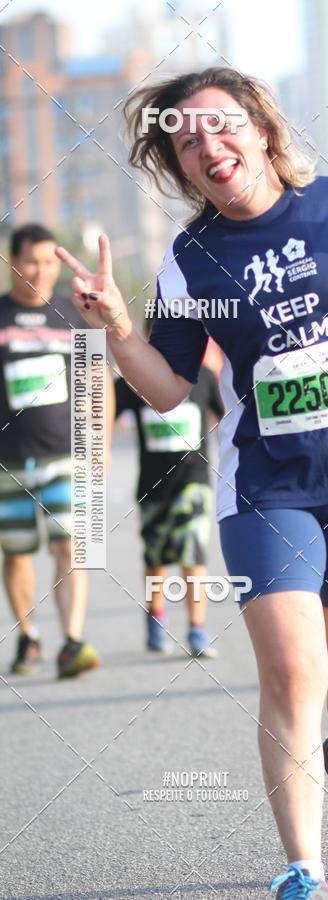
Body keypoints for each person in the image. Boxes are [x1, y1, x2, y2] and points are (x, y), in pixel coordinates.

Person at [56, 67, 328, 897]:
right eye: (185, 141)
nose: (207, 145)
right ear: (179, 169)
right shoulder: (188, 259)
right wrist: (115, 332)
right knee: (291, 673)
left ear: (263, 129)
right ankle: (302, 868)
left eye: (221, 126)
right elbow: (170, 388)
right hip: (265, 487)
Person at [0, 224, 110, 677]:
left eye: (49, 262)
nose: (41, 271)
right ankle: (29, 637)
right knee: (17, 553)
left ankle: (72, 640)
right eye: (31, 262)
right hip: (8, 460)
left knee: (71, 545)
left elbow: (97, 381)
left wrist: (98, 446)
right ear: (12, 263)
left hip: (67, 454)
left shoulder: (73, 315)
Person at [114, 324, 224, 657]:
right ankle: (156, 619)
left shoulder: (203, 376)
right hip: (151, 485)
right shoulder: (135, 380)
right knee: (156, 558)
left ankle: (197, 630)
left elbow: (227, 414)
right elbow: (104, 412)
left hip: (194, 480)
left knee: (192, 552)